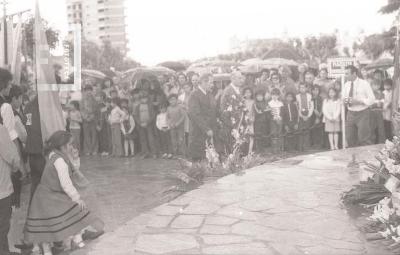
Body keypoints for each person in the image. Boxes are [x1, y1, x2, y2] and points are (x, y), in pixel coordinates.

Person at [24, 131, 102, 254]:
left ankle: (56, 246)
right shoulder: (60, 160)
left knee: (47, 225)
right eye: (70, 144)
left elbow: (72, 170)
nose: (72, 146)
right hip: (51, 196)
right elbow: (66, 183)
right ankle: (75, 239)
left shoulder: (54, 155)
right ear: (61, 145)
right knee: (76, 208)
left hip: (44, 196)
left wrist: (75, 157)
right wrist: (77, 198)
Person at [188, 73, 220, 161]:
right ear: (203, 82)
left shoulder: (209, 94)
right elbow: (195, 115)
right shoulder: (194, 95)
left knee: (210, 157)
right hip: (199, 132)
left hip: (210, 130)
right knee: (199, 158)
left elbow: (215, 110)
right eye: (210, 83)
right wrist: (206, 129)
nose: (212, 85)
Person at [0, 123, 21, 255]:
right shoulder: (0, 130)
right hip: (1, 188)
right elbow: (12, 156)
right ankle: (3, 251)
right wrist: (16, 169)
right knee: (3, 221)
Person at [343, 65, 375, 147]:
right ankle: (353, 159)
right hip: (350, 113)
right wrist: (346, 101)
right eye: (345, 73)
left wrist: (360, 101)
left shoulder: (364, 84)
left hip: (363, 114)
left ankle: (366, 158)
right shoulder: (346, 85)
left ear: (354, 73)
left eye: (347, 73)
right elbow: (343, 98)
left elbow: (372, 99)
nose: (345, 75)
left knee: (364, 139)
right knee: (350, 138)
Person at [220, 71, 247, 154]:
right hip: (232, 124)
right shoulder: (228, 91)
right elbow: (224, 108)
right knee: (232, 146)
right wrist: (231, 124)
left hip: (239, 122)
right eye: (239, 78)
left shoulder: (238, 90)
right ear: (232, 79)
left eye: (241, 78)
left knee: (239, 144)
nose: (241, 80)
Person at [134, 91, 158, 159]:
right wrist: (140, 123)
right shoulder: (137, 106)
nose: (144, 100)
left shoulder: (150, 105)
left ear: (147, 98)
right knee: (143, 139)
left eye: (145, 98)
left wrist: (147, 123)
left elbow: (153, 115)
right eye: (142, 98)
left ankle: (154, 153)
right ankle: (145, 153)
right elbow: (136, 116)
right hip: (141, 125)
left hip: (149, 125)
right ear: (139, 99)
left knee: (151, 139)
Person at [81, 85, 98, 156]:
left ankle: (94, 150)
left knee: (94, 135)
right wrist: (85, 117)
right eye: (87, 90)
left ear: (92, 91)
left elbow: (96, 109)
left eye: (90, 90)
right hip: (85, 119)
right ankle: (87, 150)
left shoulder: (95, 100)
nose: (88, 92)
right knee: (86, 135)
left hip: (93, 119)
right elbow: (81, 109)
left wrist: (91, 117)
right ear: (84, 91)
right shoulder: (82, 100)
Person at [296, 83, 314, 151]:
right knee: (300, 131)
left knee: (307, 130)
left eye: (303, 87)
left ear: (306, 88)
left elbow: (312, 106)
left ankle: (306, 147)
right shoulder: (297, 96)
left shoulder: (309, 96)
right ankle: (300, 147)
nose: (302, 89)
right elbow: (297, 107)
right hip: (300, 114)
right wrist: (301, 115)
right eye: (300, 88)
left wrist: (308, 115)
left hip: (307, 113)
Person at [369, 80, 386, 144]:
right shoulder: (369, 94)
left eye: (377, 85)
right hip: (371, 113)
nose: (376, 86)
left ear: (379, 86)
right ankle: (371, 143)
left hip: (379, 112)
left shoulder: (382, 94)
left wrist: (375, 104)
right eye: (374, 85)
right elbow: (370, 105)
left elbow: (381, 104)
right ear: (371, 85)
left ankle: (382, 143)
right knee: (371, 129)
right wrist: (376, 104)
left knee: (381, 128)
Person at [268, 88, 284, 153]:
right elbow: (269, 113)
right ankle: (274, 149)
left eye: (276, 95)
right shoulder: (269, 103)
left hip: (279, 119)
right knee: (273, 133)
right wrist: (274, 117)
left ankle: (279, 148)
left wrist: (280, 117)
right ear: (271, 95)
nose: (274, 96)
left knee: (279, 133)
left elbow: (282, 111)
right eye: (273, 95)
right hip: (272, 120)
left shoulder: (280, 103)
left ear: (278, 96)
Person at [310, 85, 324, 149]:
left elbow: (322, 107)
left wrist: (319, 116)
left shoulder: (320, 98)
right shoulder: (311, 98)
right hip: (312, 116)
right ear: (312, 91)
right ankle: (314, 143)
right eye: (314, 90)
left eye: (317, 90)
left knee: (319, 130)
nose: (315, 91)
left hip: (319, 116)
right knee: (313, 130)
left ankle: (320, 144)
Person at [178, 83, 192, 149]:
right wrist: (184, 106)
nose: (186, 89)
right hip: (184, 116)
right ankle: (187, 148)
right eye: (185, 88)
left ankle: (192, 147)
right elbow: (179, 105)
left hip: (192, 115)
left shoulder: (193, 95)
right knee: (186, 131)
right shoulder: (181, 96)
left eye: (187, 87)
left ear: (190, 87)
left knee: (192, 131)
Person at [243, 87, 255, 154]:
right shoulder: (242, 101)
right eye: (246, 92)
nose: (248, 94)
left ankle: (250, 151)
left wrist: (252, 119)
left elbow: (253, 111)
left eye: (249, 92)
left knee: (251, 135)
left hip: (250, 120)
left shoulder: (253, 101)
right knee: (244, 135)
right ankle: (245, 151)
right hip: (244, 121)